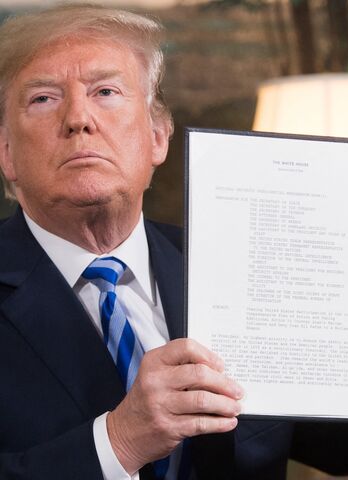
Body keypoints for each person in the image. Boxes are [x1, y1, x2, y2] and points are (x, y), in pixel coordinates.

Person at [0, 4, 293, 480]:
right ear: (6, 153)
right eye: (44, 99)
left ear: (158, 136)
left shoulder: (238, 271)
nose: (78, 118)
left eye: (106, 91)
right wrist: (119, 441)